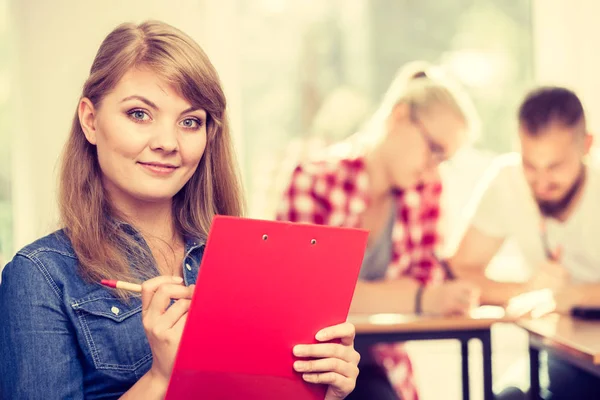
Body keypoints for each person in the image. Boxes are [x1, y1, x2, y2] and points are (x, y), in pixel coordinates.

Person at [0, 21, 360, 399]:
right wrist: (160, 378)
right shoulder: (40, 276)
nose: (168, 142)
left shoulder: (247, 262)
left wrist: (321, 392)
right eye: (139, 114)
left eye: (190, 122)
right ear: (90, 121)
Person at [276, 61, 480, 400]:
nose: (433, 170)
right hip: (312, 365)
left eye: (443, 160)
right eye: (434, 150)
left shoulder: (426, 191)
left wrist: (360, 294)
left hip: (380, 366)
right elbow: (307, 299)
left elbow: (428, 280)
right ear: (399, 116)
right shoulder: (313, 179)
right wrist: (420, 298)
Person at [449, 86, 600, 399]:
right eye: (530, 165)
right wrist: (529, 292)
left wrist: (573, 296)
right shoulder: (507, 180)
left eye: (555, 166)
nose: (541, 183)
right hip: (560, 351)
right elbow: (460, 269)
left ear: (586, 145)